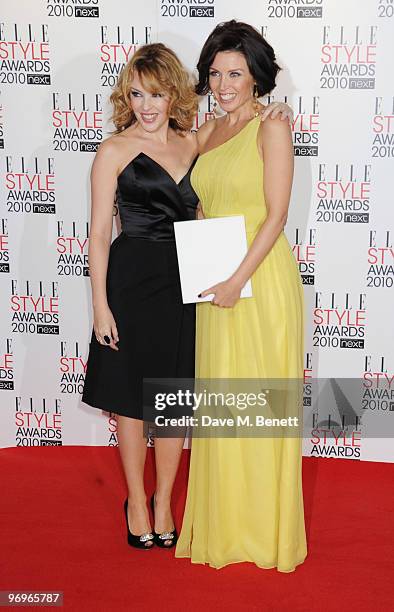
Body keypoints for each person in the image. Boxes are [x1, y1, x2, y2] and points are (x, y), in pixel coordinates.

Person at [82, 41, 293, 551]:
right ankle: (136, 501)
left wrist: (274, 108)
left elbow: (233, 154)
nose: (147, 105)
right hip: (131, 283)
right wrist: (100, 305)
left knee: (172, 400)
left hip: (185, 283)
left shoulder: (192, 141)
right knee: (134, 401)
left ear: (173, 94)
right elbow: (96, 234)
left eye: (156, 93)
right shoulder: (112, 151)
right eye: (136, 94)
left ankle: (162, 502)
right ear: (125, 97)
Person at [175, 20, 307, 572]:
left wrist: (236, 280)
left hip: (259, 280)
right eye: (215, 73)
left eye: (236, 73)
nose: (225, 83)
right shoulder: (207, 132)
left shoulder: (271, 127)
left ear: (256, 78)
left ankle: (261, 534)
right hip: (215, 279)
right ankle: (224, 527)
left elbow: (275, 217)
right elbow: (191, 189)